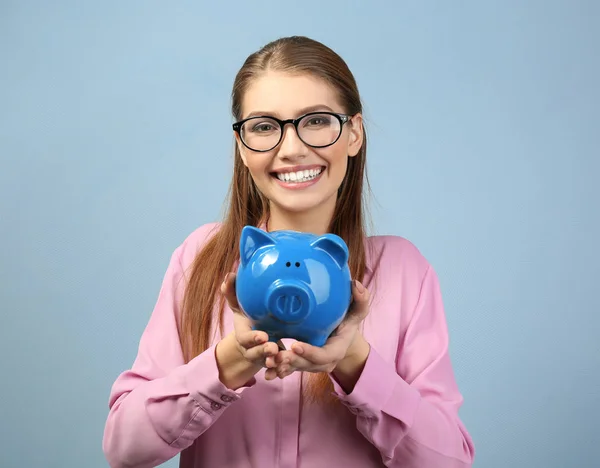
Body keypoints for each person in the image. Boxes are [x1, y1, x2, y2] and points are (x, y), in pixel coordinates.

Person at [102, 35, 475, 468]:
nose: (292, 148)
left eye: (316, 121)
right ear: (242, 147)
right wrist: (227, 363)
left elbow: (448, 461)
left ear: (353, 133)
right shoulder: (201, 258)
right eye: (264, 126)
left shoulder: (403, 271)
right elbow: (124, 448)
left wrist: (354, 361)